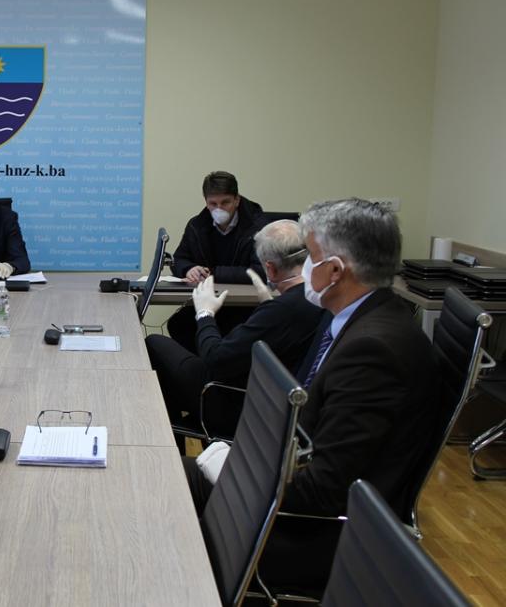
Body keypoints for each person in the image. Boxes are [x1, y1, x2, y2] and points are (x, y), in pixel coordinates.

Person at [185, 198, 439, 592]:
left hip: (321, 534)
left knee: (174, 519)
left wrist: (238, 475)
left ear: (335, 271)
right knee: (172, 476)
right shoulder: (357, 317)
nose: (304, 268)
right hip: (289, 475)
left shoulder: (374, 351)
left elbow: (323, 492)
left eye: (311, 257)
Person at [145, 220, 325, 439]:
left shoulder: (282, 311)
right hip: (271, 399)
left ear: (269, 268)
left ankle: (170, 436)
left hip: (235, 402)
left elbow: (215, 359)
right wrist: (268, 305)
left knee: (154, 343)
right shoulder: (319, 297)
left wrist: (205, 314)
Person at [167, 171, 267, 347]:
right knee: (178, 324)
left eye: (225, 202)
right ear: (206, 202)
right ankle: (202, 364)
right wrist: (189, 269)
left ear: (237, 200)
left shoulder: (259, 227)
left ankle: (215, 361)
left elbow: (260, 271)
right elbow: (180, 258)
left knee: (232, 331)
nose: (219, 208)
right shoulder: (197, 225)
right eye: (213, 203)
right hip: (209, 301)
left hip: (245, 305)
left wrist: (213, 274)